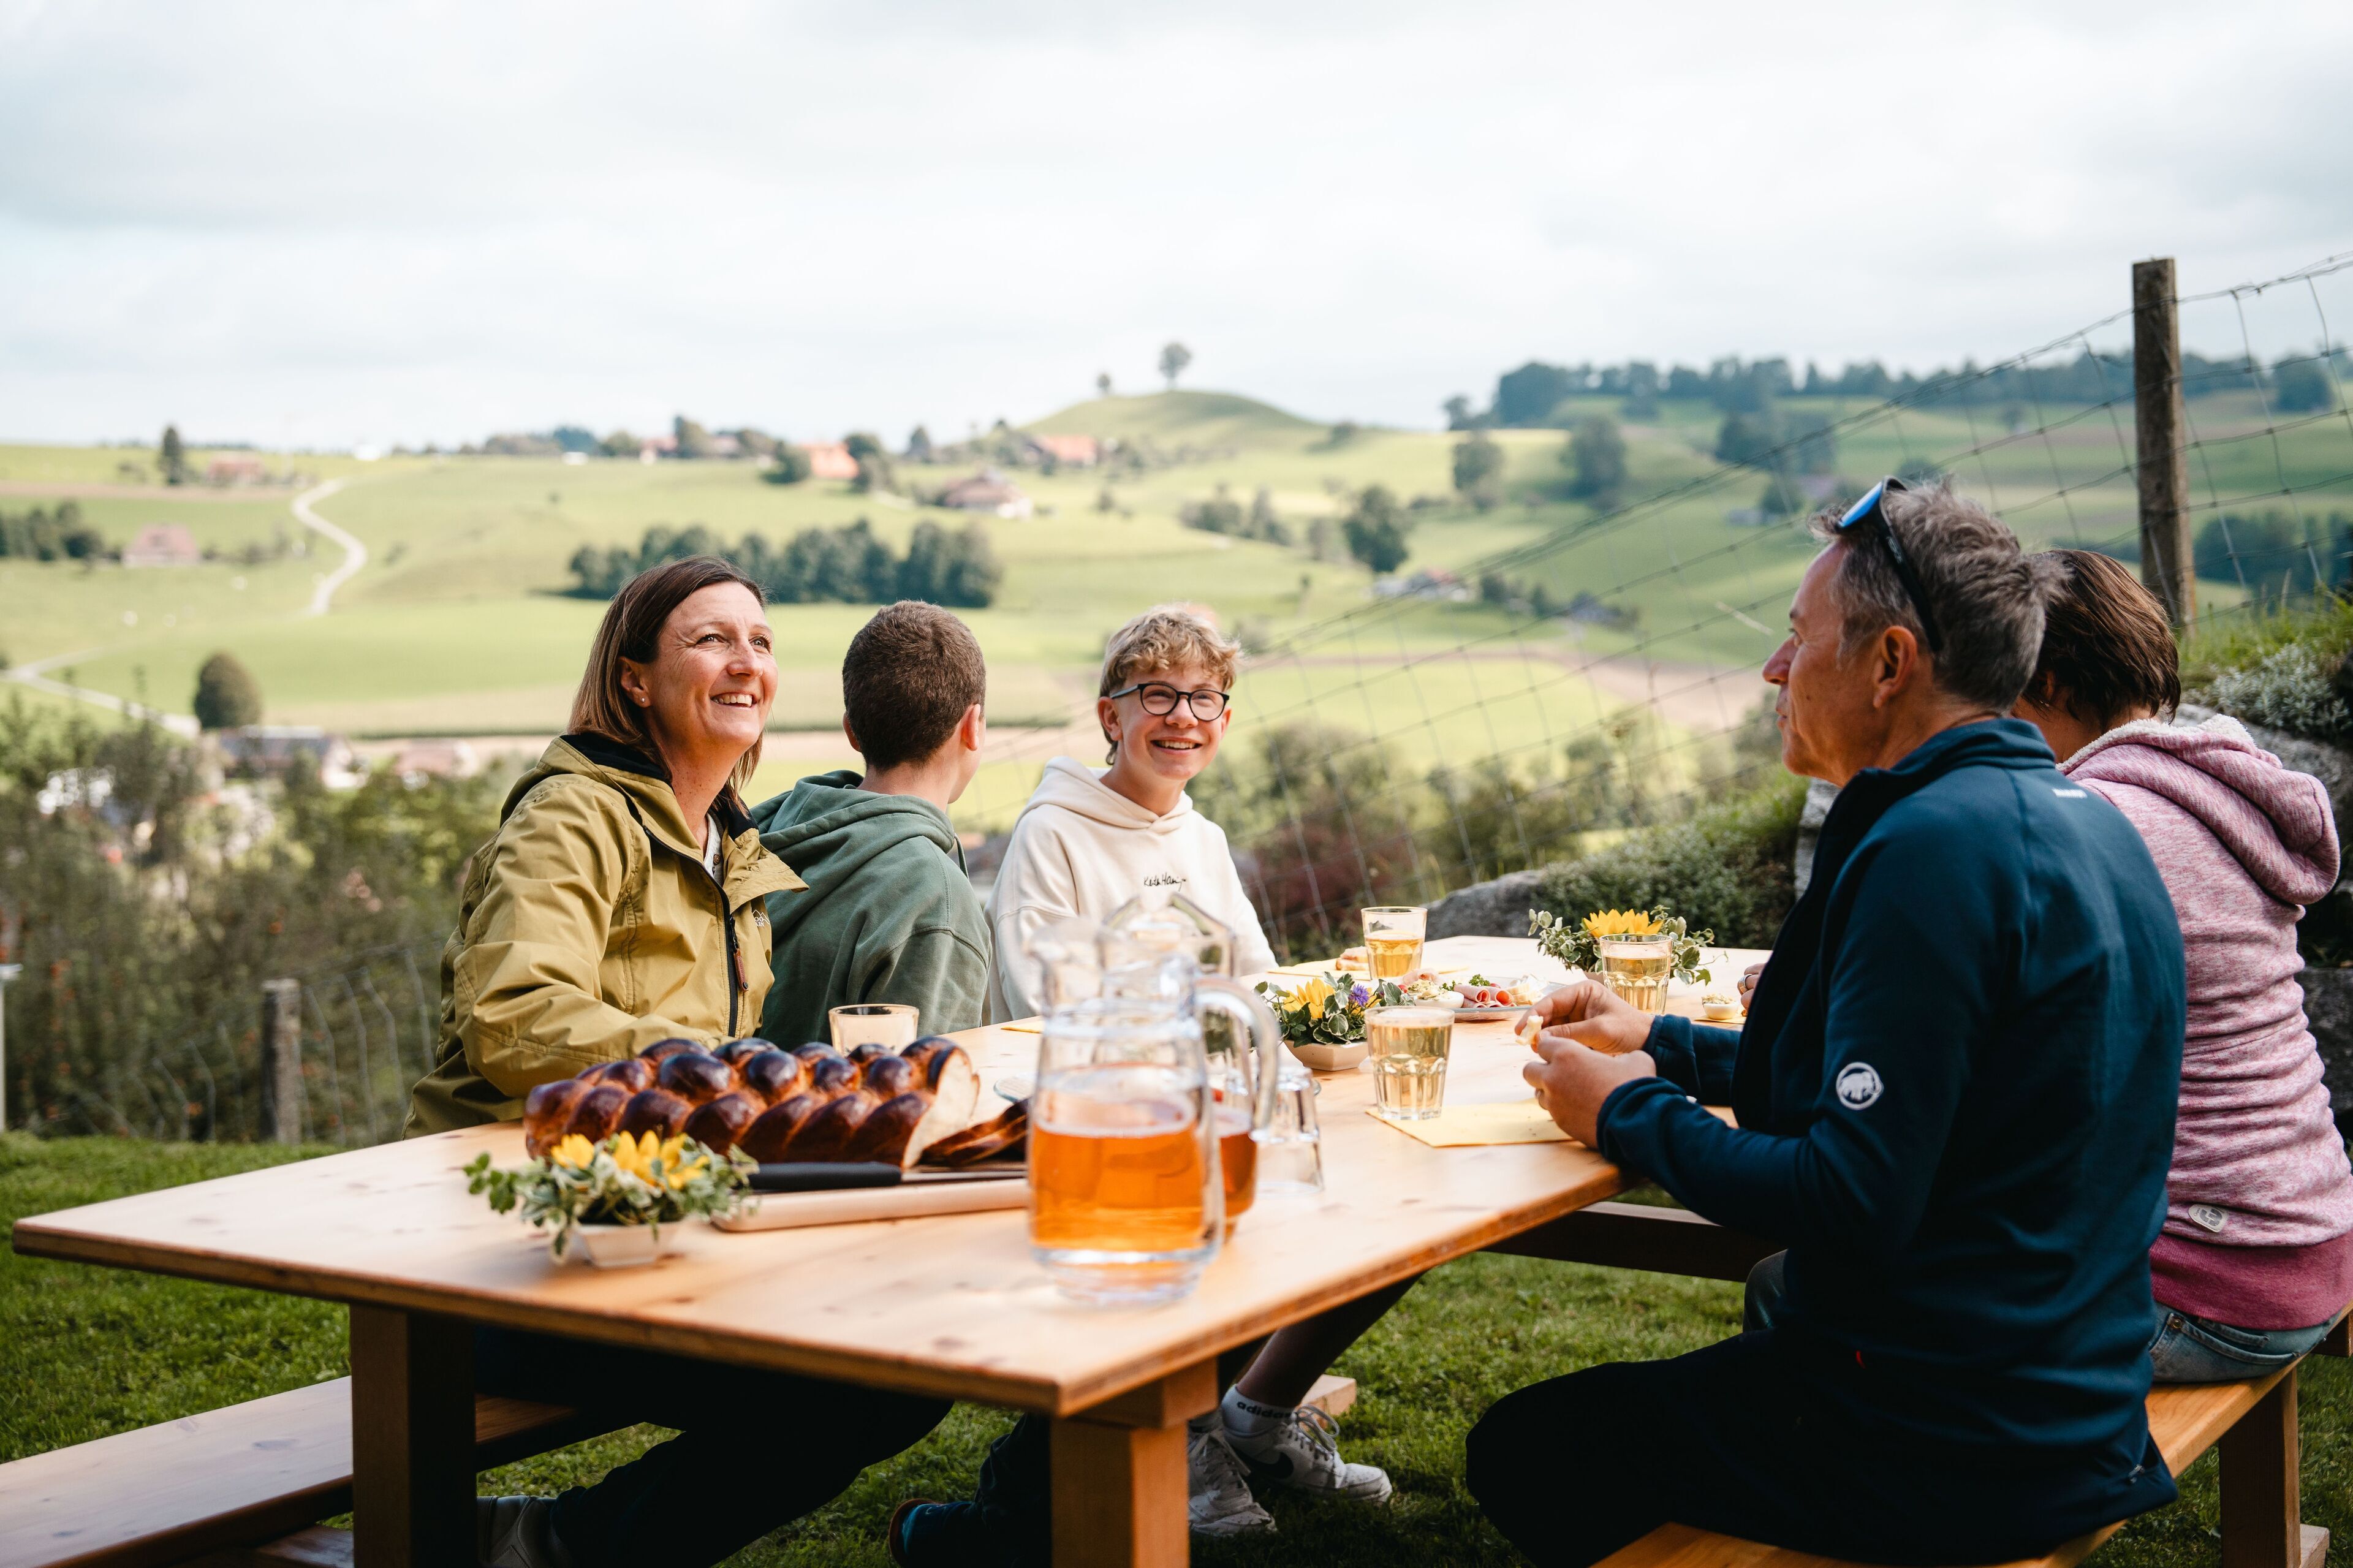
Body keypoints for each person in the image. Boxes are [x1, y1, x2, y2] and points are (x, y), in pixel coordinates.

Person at [1471, 482, 2188, 1567]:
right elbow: (1929, 1079)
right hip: (2073, 1397)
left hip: (1951, 1435)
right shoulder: (2084, 822)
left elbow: (1849, 1198)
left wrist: (1631, 1113)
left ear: (1890, 663)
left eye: (1798, 638)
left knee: (1528, 1447)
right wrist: (1664, 1040)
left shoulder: (1933, 847)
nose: (1773, 669)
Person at [403, 558, 946, 1568]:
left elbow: (717, 1082)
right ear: (635, 678)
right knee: (870, 1376)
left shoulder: (732, 850)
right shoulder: (575, 815)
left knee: (908, 1349)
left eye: (763, 641)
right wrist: (703, 1066)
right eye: (711, 639)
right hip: (495, 1253)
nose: (747, 661)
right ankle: (557, 1544)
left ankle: (557, 1539)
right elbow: (510, 1015)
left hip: (638, 1228)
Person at [896, 605, 1397, 1564]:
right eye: (1157, 694)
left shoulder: (1201, 838)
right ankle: (1174, 1446)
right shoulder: (1054, 831)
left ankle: (1245, 1417)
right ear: (1110, 715)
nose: (1184, 715)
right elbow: (1057, 1000)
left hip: (1209, 1097)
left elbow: (1257, 977)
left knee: (1375, 1205)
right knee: (1200, 1243)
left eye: (1205, 696)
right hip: (1098, 1121)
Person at [2012, 548, 2353, 1381]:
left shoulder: (2096, 821)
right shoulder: (2205, 784)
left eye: (1995, 680)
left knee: (1829, 1291)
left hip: (2208, 1276)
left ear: (2050, 682)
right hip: (2313, 1232)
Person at [749, 600, 992, 1046]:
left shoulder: (763, 830)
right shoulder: (934, 899)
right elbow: (920, 1096)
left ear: (852, 731)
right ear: (973, 726)